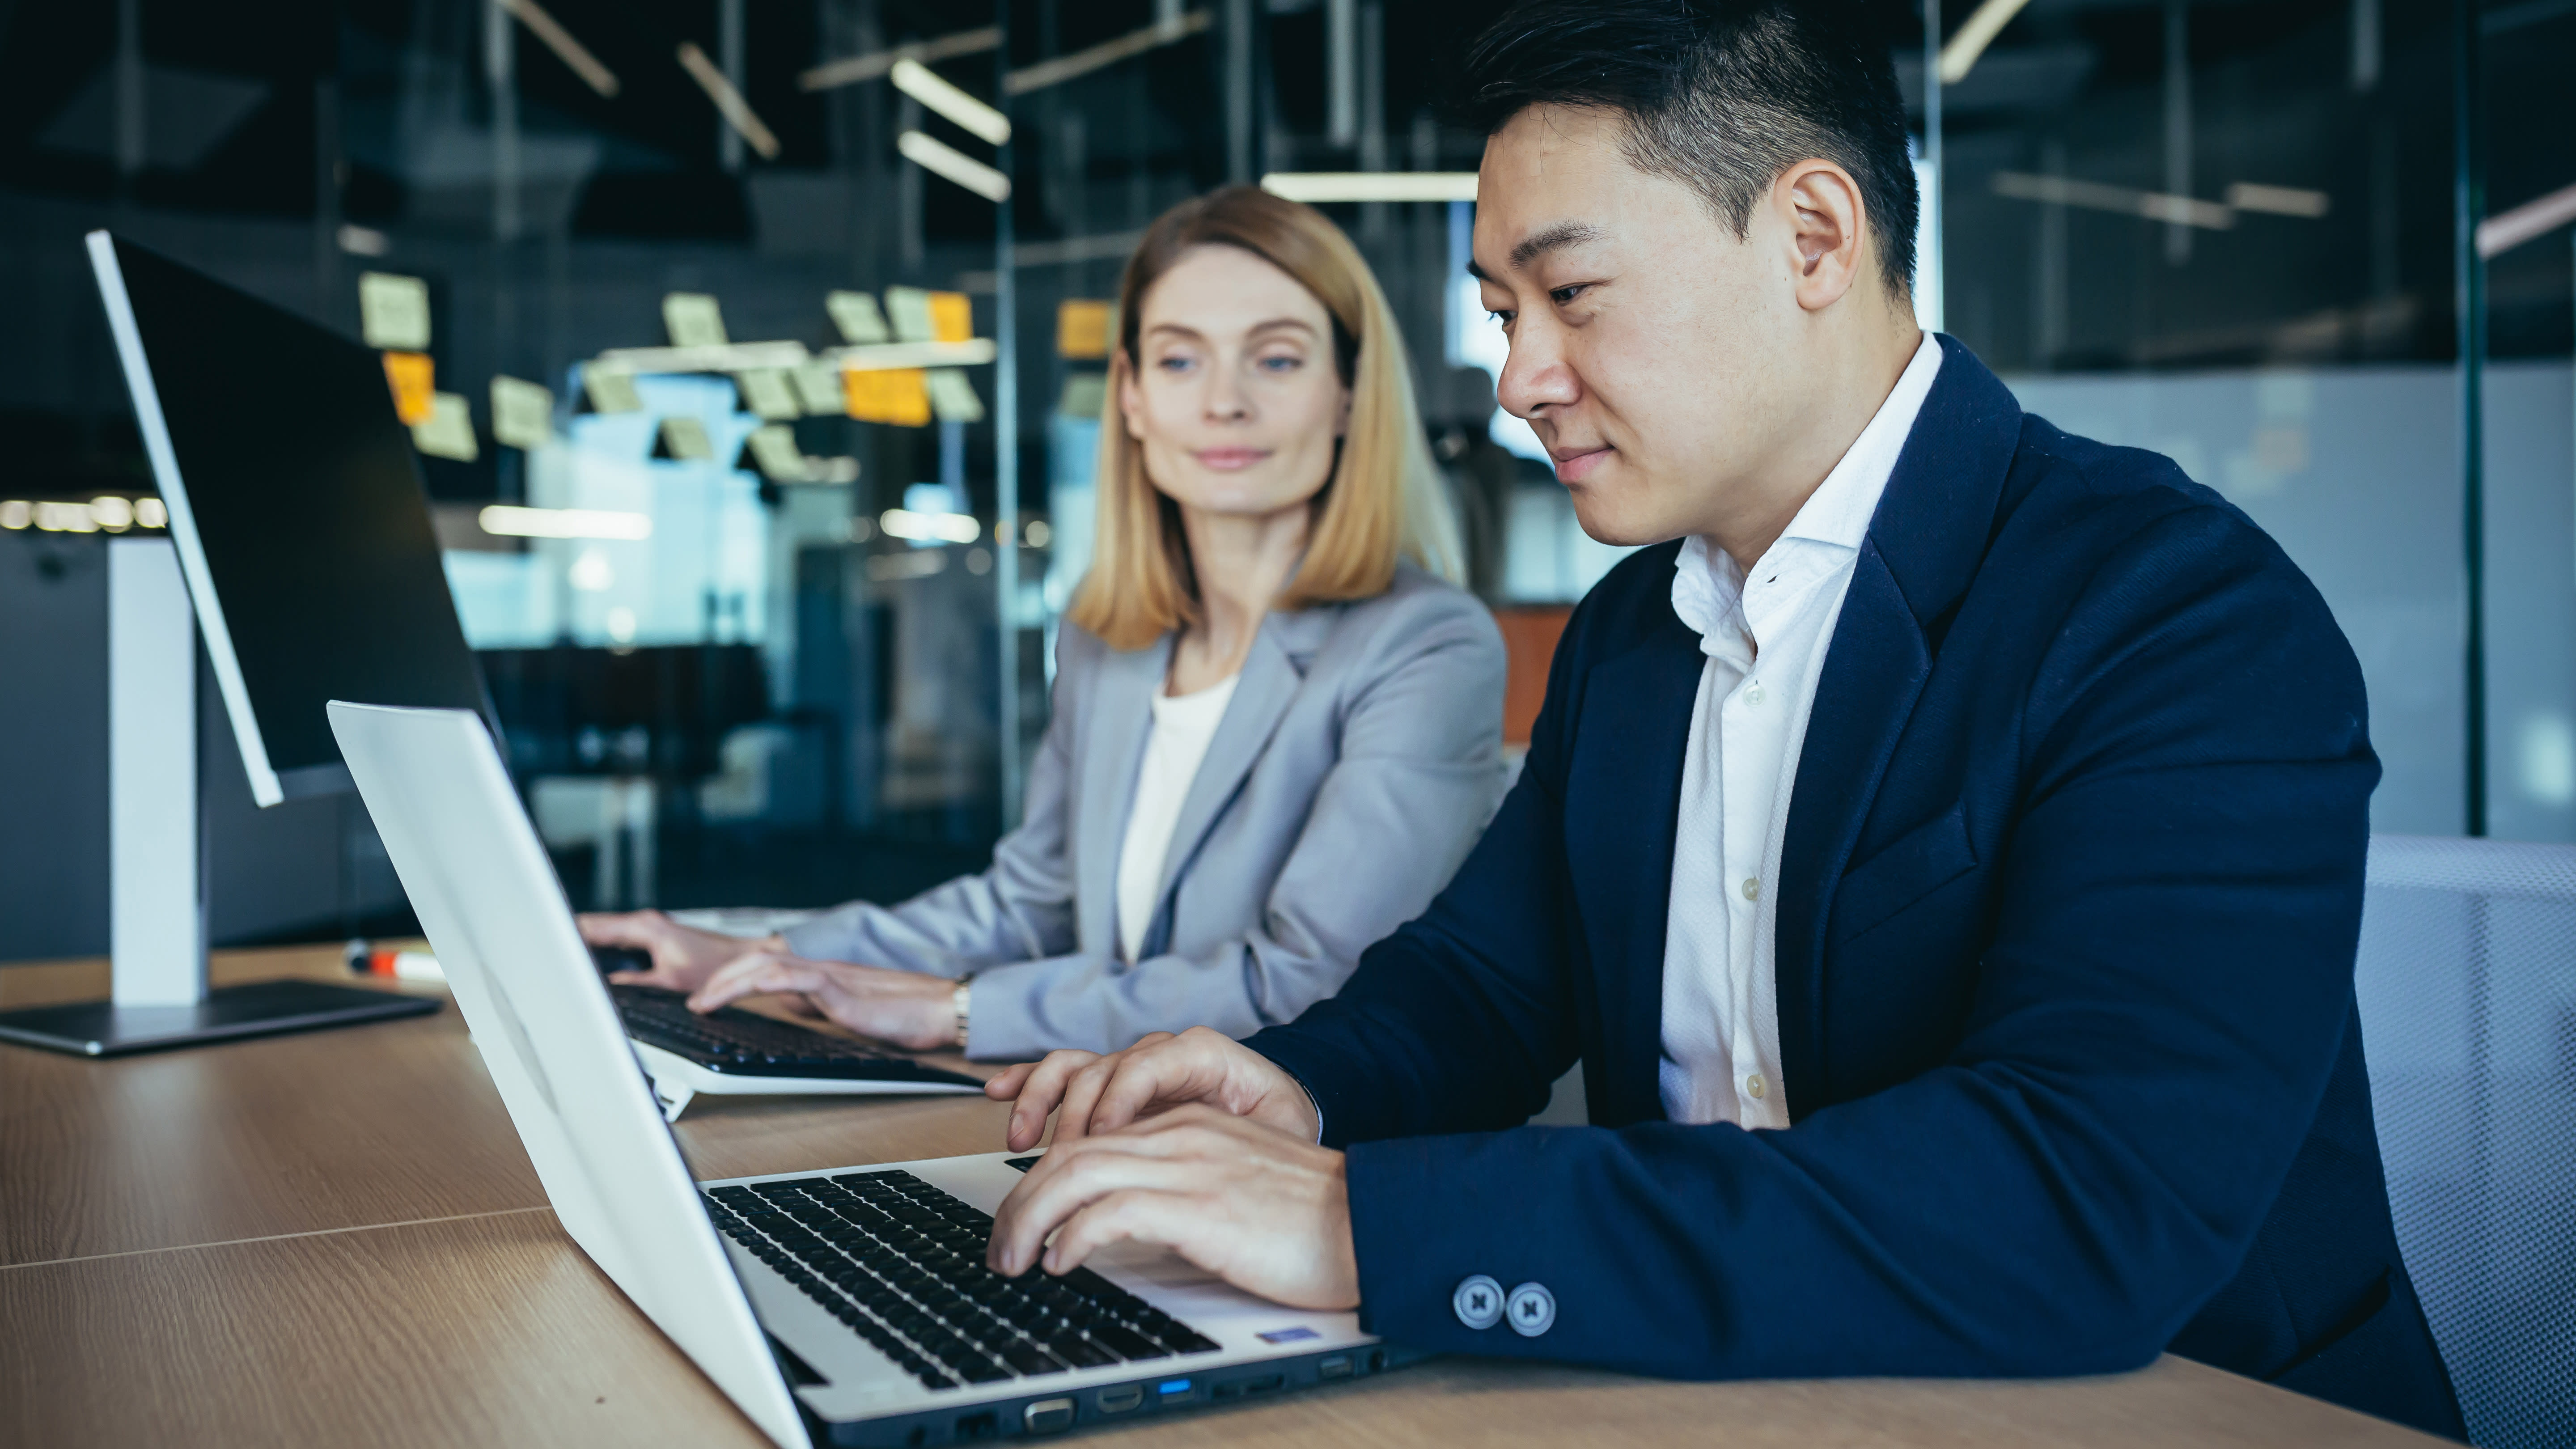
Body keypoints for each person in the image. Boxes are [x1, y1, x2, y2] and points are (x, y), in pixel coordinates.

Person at [972, 1, 2465, 1437]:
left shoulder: (2173, 612)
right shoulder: (1636, 630)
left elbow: (2073, 1198)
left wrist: (1366, 1225)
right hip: (1731, 1398)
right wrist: (1295, 1084)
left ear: (1813, 236)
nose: (1520, 383)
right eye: (1501, 315)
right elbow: (1487, 990)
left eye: (1571, 296)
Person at [583, 187, 1506, 1061]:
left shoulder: (1424, 645)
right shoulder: (1111, 642)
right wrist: (770, 955)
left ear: (1349, 392)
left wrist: (957, 1013)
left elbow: (1311, 981)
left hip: (1302, 1160)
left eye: (1277, 358)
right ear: (1133, 396)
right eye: (1181, 359)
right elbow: (1028, 910)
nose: (1225, 401)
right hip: (1107, 1115)